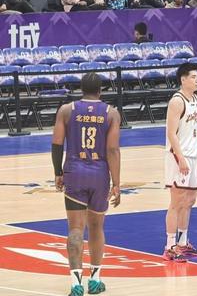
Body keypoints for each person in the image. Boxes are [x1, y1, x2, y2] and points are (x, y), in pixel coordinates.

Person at [51, 73, 121, 296]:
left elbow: (56, 144)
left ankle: (76, 284)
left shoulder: (66, 110)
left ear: (80, 89)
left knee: (75, 229)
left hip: (75, 172)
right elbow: (112, 150)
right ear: (100, 90)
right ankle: (95, 280)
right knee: (97, 227)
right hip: (99, 174)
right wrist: (116, 183)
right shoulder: (111, 113)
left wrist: (58, 173)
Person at [163, 63, 197, 262]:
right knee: (177, 202)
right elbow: (171, 133)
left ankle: (182, 243)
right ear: (183, 79)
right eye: (193, 77)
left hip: (192, 157)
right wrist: (181, 159)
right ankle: (169, 246)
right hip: (178, 157)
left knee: (190, 200)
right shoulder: (177, 101)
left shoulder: (195, 99)